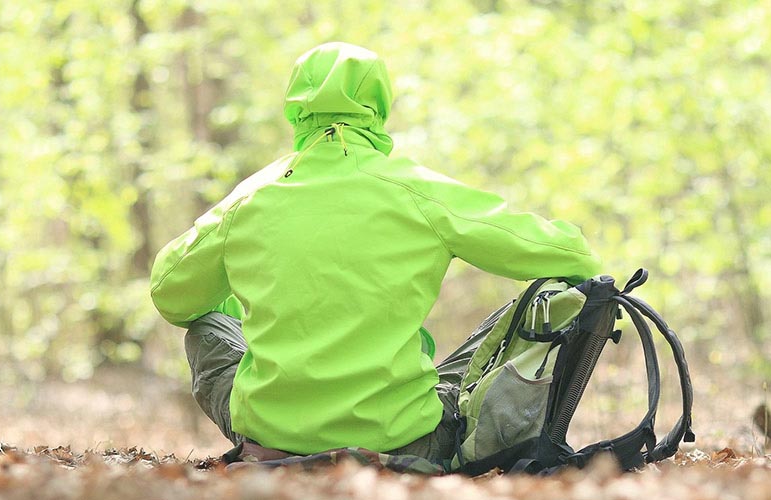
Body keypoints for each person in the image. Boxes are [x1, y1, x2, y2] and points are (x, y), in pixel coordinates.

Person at [150, 42, 600, 466]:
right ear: (380, 105)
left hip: (274, 439)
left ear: (295, 107)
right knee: (528, 306)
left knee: (208, 323)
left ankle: (273, 442)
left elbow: (171, 294)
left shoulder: (251, 198)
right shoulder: (415, 189)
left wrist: (250, 301)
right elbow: (568, 254)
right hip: (406, 440)